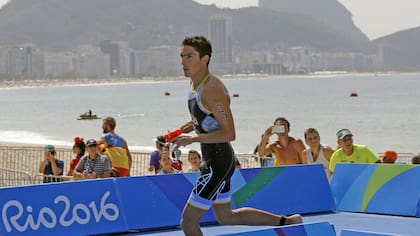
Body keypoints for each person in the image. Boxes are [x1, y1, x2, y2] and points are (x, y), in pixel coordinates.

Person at [170, 35, 302, 236]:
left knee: (188, 221)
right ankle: (289, 220)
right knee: (226, 216)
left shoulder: (211, 89)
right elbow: (202, 120)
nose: (183, 61)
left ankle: (288, 220)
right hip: (215, 159)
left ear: (204, 59)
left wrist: (193, 139)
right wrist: (178, 133)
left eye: (189, 56)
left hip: (218, 162)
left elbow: (229, 132)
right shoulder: (195, 86)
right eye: (182, 56)